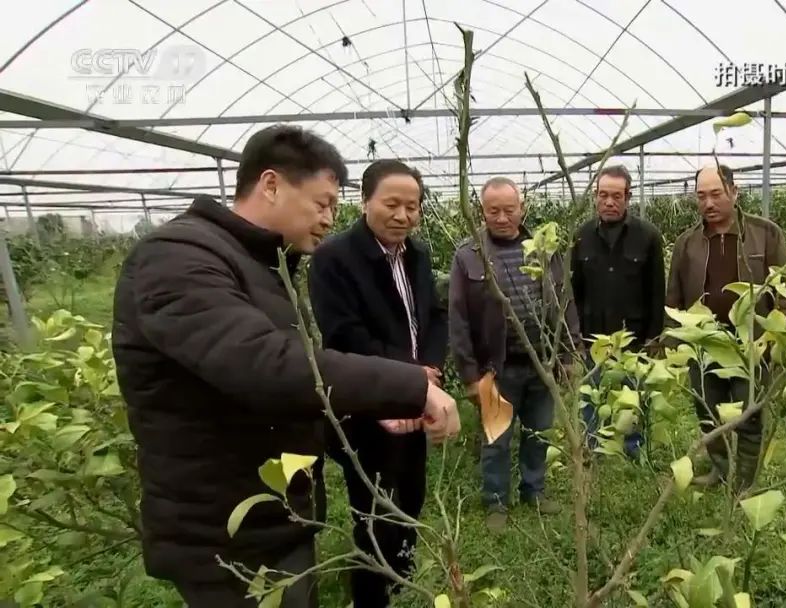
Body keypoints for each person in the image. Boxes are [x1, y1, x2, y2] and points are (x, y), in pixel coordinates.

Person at [111, 125, 460, 608]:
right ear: (271, 185)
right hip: (226, 529)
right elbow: (265, 364)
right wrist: (410, 386)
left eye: (333, 207)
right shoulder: (179, 257)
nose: (327, 218)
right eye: (321, 204)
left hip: (273, 515)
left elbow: (290, 380)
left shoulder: (263, 263)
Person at [306, 159, 447, 607]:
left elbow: (434, 316)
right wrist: (406, 376)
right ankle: (373, 595)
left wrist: (430, 367)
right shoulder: (335, 259)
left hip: (416, 398)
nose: (403, 215)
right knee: (374, 511)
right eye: (392, 204)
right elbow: (345, 334)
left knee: (411, 498)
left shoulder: (419, 256)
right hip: (368, 407)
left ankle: (402, 582)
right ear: (365, 201)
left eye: (412, 206)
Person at [448, 176, 581, 531]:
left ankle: (533, 491)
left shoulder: (543, 250)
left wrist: (569, 355)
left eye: (509, 209)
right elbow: (458, 320)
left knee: (539, 432)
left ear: (522, 208)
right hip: (497, 369)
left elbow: (564, 304)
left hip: (542, 364)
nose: (502, 217)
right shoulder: (469, 256)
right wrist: (471, 375)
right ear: (482, 211)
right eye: (494, 210)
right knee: (496, 439)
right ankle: (495, 501)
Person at [666, 164, 786, 491]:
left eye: (716, 194)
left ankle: (745, 481)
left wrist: (782, 340)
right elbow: (675, 295)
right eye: (701, 196)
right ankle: (721, 469)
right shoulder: (687, 243)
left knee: (749, 414)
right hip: (704, 342)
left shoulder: (765, 234)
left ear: (734, 193)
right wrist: (673, 342)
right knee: (708, 410)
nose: (708, 203)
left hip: (751, 343)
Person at [570, 165, 665, 459]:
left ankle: (633, 447)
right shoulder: (582, 236)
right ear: (595, 197)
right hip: (592, 338)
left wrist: (653, 337)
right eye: (603, 195)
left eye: (616, 196)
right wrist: (574, 338)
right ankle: (592, 446)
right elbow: (574, 291)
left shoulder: (647, 237)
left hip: (633, 338)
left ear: (628, 197)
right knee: (591, 395)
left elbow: (656, 291)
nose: (609, 202)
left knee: (633, 395)